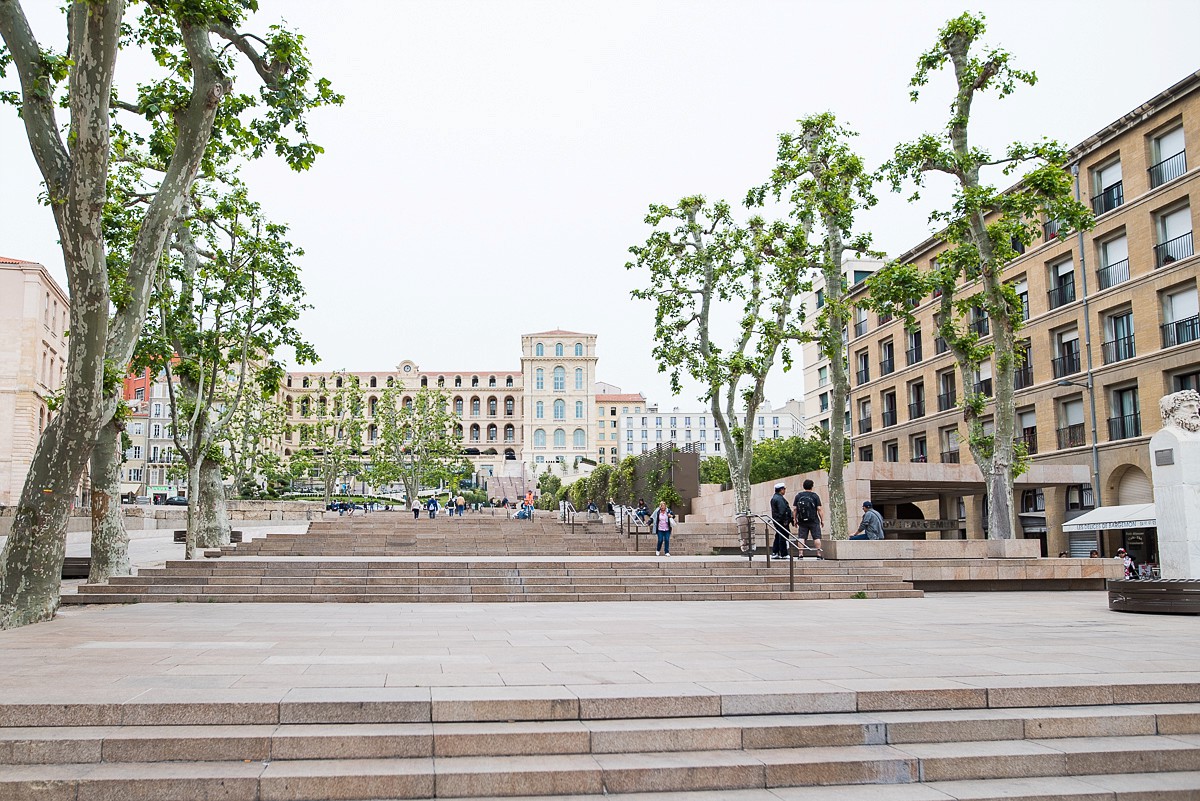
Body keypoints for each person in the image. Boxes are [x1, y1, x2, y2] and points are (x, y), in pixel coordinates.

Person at [792, 479, 824, 559]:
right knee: (816, 537)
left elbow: (795, 509)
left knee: (801, 537)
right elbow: (819, 509)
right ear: (812, 486)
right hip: (813, 520)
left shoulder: (798, 496)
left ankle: (800, 554)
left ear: (804, 486)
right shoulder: (815, 496)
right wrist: (822, 520)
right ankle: (819, 554)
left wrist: (795, 519)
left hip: (802, 520)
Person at [769, 482, 793, 558]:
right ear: (781, 489)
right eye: (784, 489)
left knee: (778, 535)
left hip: (778, 520)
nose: (785, 491)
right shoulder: (779, 499)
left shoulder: (775, 498)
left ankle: (775, 552)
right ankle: (783, 553)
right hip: (782, 521)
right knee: (783, 536)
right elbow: (783, 510)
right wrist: (786, 520)